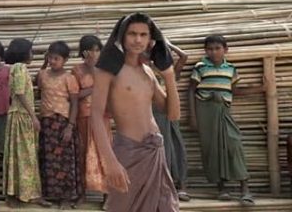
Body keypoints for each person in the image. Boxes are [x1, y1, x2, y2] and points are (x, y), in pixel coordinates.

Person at [91, 13, 180, 212]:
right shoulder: (108, 71)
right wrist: (110, 162)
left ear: (150, 39)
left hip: (155, 151)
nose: (138, 40)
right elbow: (96, 115)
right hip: (128, 152)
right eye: (132, 34)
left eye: (143, 34)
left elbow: (173, 115)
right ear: (122, 36)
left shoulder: (148, 72)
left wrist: (169, 75)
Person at [189, 35, 261, 206]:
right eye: (210, 49)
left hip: (224, 110)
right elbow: (191, 91)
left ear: (225, 50)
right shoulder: (200, 67)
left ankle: (245, 189)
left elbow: (234, 91)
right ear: (205, 51)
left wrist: (260, 89)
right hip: (205, 111)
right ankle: (222, 188)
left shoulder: (231, 69)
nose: (213, 52)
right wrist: (192, 117)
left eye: (217, 48)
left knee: (234, 145)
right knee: (212, 149)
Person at [38, 41, 82, 207]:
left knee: (64, 161)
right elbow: (38, 85)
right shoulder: (43, 75)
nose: (52, 61)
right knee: (48, 160)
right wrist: (44, 63)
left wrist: (70, 126)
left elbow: (75, 103)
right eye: (50, 58)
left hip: (63, 123)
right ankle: (51, 195)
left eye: (56, 58)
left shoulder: (69, 78)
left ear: (65, 60)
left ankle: (66, 198)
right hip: (46, 123)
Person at [3, 38, 45, 207]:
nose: (32, 54)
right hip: (21, 116)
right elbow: (20, 92)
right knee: (25, 156)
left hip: (18, 115)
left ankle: (20, 193)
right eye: (30, 51)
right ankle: (23, 194)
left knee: (20, 156)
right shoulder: (20, 68)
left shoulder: (16, 68)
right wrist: (33, 116)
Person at [72, 35, 111, 205]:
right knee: (83, 153)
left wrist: (94, 67)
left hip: (102, 116)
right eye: (90, 50)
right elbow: (75, 95)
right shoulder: (76, 70)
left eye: (97, 50)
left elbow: (110, 91)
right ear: (83, 52)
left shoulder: (104, 69)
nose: (94, 53)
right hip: (84, 116)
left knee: (104, 153)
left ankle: (107, 195)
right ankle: (82, 194)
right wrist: (92, 89)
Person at [152, 43, 190, 202]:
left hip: (171, 113)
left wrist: (167, 44)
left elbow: (184, 56)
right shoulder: (146, 70)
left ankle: (182, 186)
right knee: (160, 148)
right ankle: (164, 187)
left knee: (176, 146)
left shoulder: (171, 72)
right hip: (154, 112)